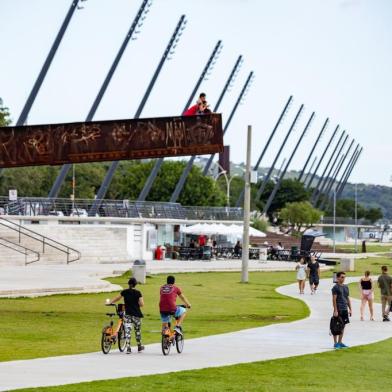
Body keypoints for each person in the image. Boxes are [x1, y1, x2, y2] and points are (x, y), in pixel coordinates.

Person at [108, 277, 144, 354]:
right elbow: (142, 304)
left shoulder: (124, 292)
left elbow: (117, 298)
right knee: (137, 331)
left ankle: (128, 348)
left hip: (127, 314)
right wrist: (135, 304)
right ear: (135, 284)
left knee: (127, 331)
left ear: (128, 284)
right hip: (137, 314)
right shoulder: (138, 293)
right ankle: (139, 346)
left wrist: (110, 302)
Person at [332, 271, 352, 349]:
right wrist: (335, 310)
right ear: (338, 278)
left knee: (343, 326)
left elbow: (347, 298)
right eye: (342, 277)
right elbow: (334, 300)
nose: (343, 278)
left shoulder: (346, 287)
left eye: (344, 277)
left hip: (345, 309)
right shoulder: (335, 287)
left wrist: (350, 309)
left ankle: (340, 342)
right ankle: (335, 343)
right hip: (339, 309)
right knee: (336, 326)